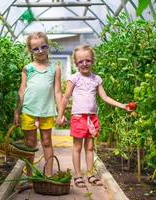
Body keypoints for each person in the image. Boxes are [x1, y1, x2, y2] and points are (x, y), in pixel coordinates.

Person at [56, 45, 132, 188]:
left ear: (93, 61)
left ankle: (90, 174)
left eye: (88, 60)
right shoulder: (74, 79)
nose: (84, 64)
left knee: (90, 147)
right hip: (78, 117)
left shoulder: (96, 79)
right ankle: (78, 175)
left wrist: (123, 105)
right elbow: (65, 98)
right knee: (77, 147)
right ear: (76, 63)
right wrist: (60, 115)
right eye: (80, 62)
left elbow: (105, 97)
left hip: (92, 119)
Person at [14, 32, 62, 178]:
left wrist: (60, 113)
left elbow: (58, 92)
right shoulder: (27, 68)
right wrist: (17, 111)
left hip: (46, 111)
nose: (40, 51)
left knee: (47, 141)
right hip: (28, 110)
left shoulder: (55, 68)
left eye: (43, 47)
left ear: (48, 46)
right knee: (30, 143)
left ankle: (48, 174)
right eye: (36, 48)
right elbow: (22, 91)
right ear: (30, 50)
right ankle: (29, 176)